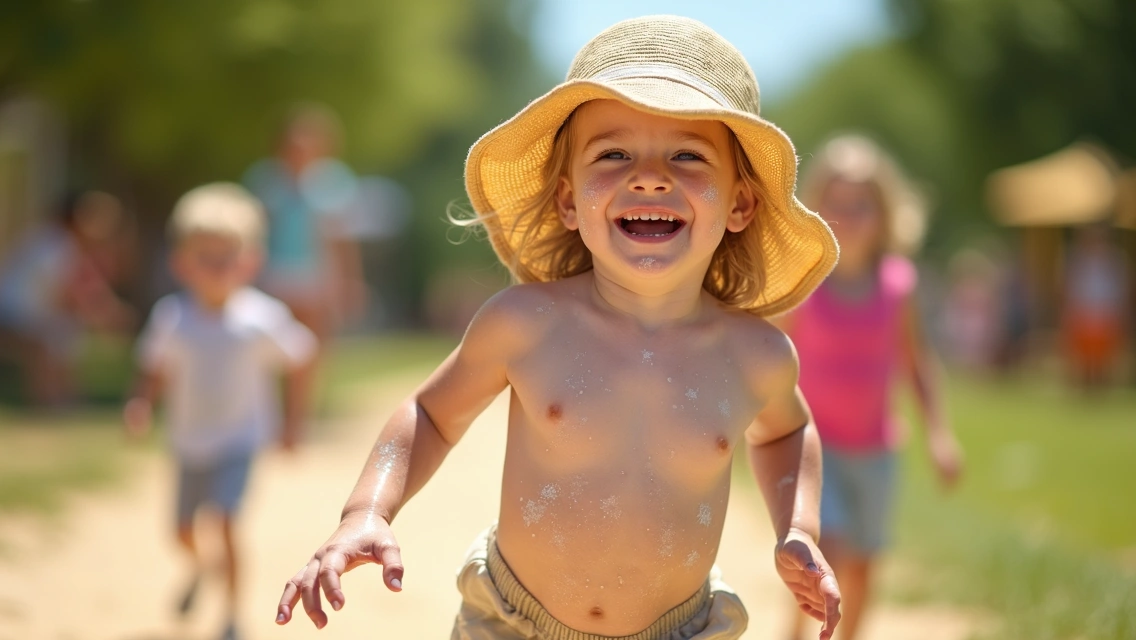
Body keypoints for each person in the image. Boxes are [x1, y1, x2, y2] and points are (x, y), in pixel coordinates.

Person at [276, 16, 843, 640]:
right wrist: (367, 511)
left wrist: (799, 528)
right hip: (513, 621)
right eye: (614, 154)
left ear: (739, 203)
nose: (649, 176)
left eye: (687, 155)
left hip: (683, 628)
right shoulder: (527, 325)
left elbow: (786, 432)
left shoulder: (755, 355)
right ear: (569, 201)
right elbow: (430, 414)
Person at [780, 135, 963, 640]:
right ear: (815, 210)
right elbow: (771, 355)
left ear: (884, 212)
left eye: (862, 204)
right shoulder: (804, 284)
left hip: (876, 451)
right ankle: (795, 631)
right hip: (814, 449)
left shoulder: (897, 284)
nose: (849, 214)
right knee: (827, 553)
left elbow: (917, 363)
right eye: (836, 203)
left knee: (863, 566)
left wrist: (940, 434)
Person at [125, 183, 318, 640]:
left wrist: (293, 423)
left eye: (226, 257)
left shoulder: (261, 318)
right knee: (182, 530)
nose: (216, 268)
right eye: (204, 257)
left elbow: (301, 362)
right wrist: (140, 403)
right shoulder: (172, 317)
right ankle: (198, 567)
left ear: (250, 262)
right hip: (188, 440)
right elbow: (154, 366)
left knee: (227, 521)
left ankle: (231, 616)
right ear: (181, 263)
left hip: (239, 439)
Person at [0, 190, 133, 408]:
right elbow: (66, 297)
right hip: (8, 315)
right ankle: (53, 402)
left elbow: (83, 293)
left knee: (64, 332)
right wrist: (105, 319)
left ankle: (64, 401)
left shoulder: (62, 244)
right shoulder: (55, 244)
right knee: (53, 337)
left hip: (22, 315)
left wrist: (104, 314)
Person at [243, 105, 368, 344]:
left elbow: (343, 239)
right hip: (275, 270)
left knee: (316, 336)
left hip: (318, 271)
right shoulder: (265, 180)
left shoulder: (334, 181)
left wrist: (349, 280)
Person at [1062, 224, 1129, 390]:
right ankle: (1086, 387)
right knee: (1083, 357)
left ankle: (1101, 387)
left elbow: (1121, 290)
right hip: (1083, 313)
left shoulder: (1115, 261)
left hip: (1105, 313)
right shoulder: (1077, 261)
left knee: (1103, 357)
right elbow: (1069, 290)